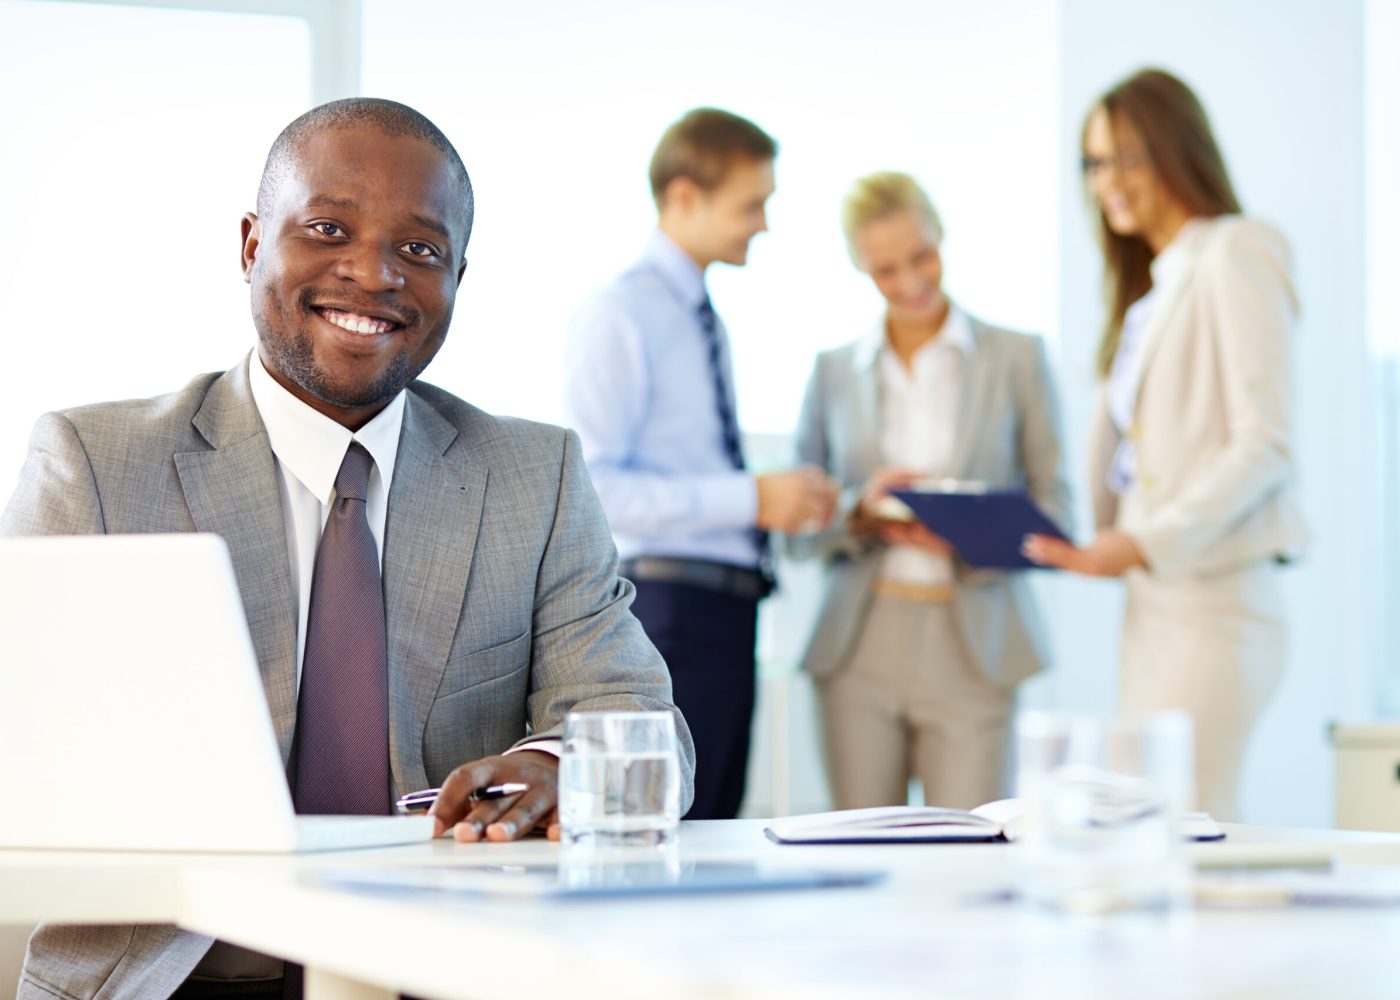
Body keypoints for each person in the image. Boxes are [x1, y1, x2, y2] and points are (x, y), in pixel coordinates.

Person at [2, 97, 694, 1000]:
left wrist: (552, 767)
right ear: (253, 245)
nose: (373, 274)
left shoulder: (534, 475)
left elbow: (644, 729)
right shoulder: (95, 465)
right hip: (176, 971)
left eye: (420, 250)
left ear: (457, 277)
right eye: (329, 228)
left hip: (452, 969)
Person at [1023, 69, 1306, 820]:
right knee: (1160, 821)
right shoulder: (1149, 290)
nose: (1106, 181)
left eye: (1127, 158)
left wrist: (1143, 539)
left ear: (1177, 151)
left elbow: (1266, 445)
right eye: (1094, 162)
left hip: (1215, 603)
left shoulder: (1236, 251)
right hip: (1155, 605)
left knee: (1178, 823)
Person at [564, 108, 839, 820]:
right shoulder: (620, 314)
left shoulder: (699, 314)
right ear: (685, 197)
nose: (764, 224)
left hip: (724, 611)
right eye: (753, 204)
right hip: (669, 616)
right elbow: (599, 492)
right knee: (671, 828)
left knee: (715, 822)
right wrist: (752, 500)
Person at [788, 171, 1070, 810]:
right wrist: (861, 510)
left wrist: (973, 524)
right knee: (861, 857)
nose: (911, 283)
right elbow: (792, 535)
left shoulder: (1017, 358)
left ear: (941, 233)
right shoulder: (832, 371)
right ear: (859, 267)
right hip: (859, 643)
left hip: (974, 642)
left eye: (922, 256)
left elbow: (1058, 510)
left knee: (972, 854)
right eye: (886, 270)